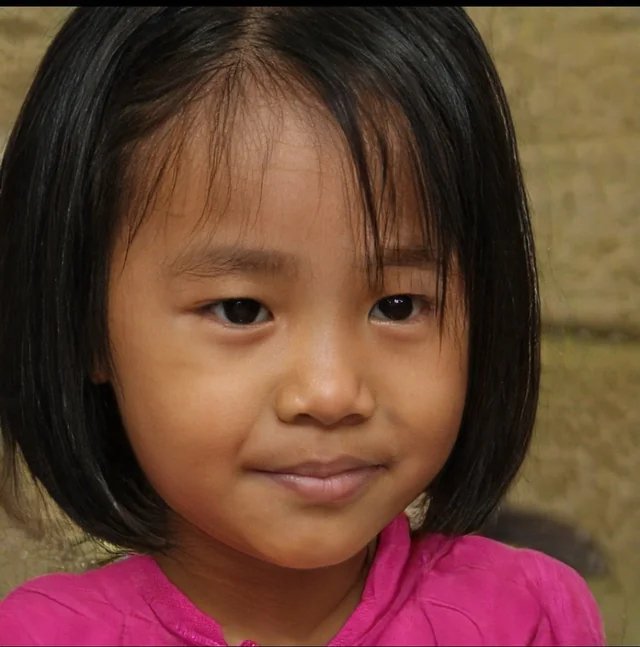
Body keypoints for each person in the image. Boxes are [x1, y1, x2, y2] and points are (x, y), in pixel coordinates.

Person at [0, 7, 605, 646]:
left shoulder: (527, 618)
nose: (331, 393)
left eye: (398, 305)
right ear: (86, 322)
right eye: (241, 310)